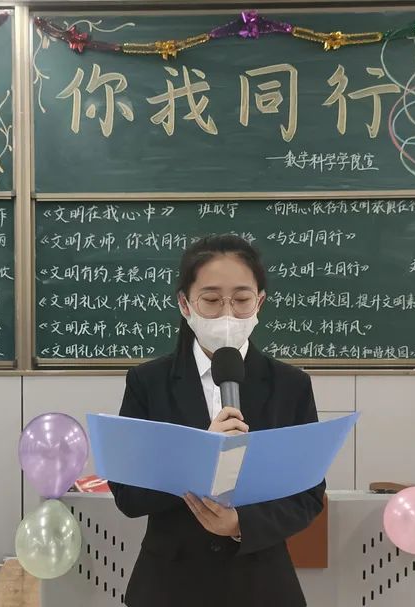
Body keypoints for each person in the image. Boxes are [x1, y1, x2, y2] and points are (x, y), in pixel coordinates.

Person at [108, 234, 325, 607]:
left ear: (259, 302)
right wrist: (198, 457)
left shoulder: (290, 385)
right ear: (185, 304)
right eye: (210, 300)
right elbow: (128, 495)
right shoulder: (149, 382)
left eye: (241, 300)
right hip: (169, 586)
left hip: (262, 586)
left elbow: (307, 496)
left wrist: (241, 525)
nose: (227, 313)